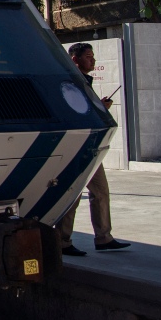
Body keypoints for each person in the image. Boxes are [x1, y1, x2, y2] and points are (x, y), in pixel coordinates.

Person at [58, 43, 130, 256]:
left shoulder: (83, 81)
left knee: (100, 191)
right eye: (88, 57)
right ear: (74, 59)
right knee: (74, 194)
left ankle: (103, 237)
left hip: (91, 147)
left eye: (93, 57)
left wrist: (99, 106)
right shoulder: (69, 82)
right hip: (77, 146)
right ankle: (62, 240)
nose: (93, 61)